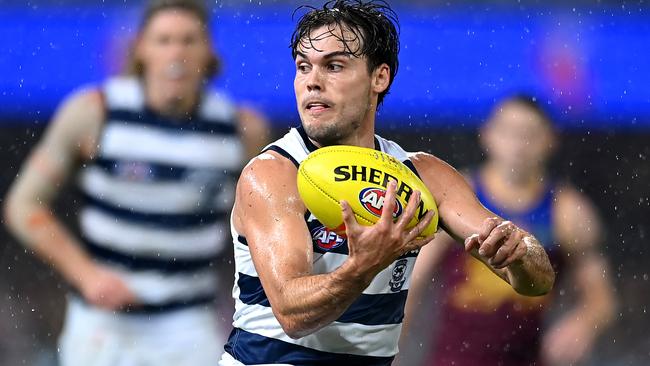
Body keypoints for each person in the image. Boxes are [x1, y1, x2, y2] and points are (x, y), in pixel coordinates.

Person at [219, 2, 555, 365]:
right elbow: (293, 314)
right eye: (303, 67)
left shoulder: (426, 177)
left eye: (334, 66)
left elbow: (537, 281)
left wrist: (520, 254)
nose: (312, 81)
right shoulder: (273, 174)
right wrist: (364, 265)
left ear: (379, 77)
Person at [3, 1, 269, 365]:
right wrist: (86, 275)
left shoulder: (241, 130)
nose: (176, 52)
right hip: (102, 325)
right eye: (164, 40)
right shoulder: (95, 112)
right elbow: (22, 206)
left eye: (189, 40)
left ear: (208, 51)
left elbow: (262, 224)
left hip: (188, 326)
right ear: (141, 49)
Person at [403, 95, 616, 366]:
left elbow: (602, 299)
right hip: (454, 360)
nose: (518, 145)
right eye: (509, 132)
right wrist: (390, 347)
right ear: (488, 135)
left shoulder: (568, 212)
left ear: (550, 140)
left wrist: (582, 324)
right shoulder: (457, 197)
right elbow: (412, 283)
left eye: (529, 134)